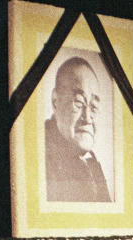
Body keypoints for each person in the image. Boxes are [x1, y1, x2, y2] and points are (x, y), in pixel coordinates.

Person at [45, 56, 112, 202]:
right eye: (79, 102)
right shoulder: (42, 156)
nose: (87, 118)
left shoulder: (91, 163)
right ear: (55, 101)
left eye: (93, 107)